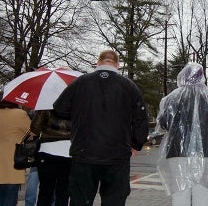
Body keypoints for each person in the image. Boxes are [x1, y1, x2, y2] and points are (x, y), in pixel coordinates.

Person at [53, 49, 149, 206]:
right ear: (117, 65)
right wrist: (136, 144)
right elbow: (140, 120)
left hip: (84, 153)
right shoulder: (129, 86)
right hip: (117, 155)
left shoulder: (80, 82)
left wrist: (79, 115)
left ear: (98, 62)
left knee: (80, 200)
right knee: (114, 201)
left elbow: (59, 109)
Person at [156, 62, 208, 206]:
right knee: (202, 195)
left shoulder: (173, 98)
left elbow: (164, 123)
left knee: (180, 193)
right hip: (207, 152)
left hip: (178, 152)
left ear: (184, 76)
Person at [0, 99, 32, 206]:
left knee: (0, 194)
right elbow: (32, 131)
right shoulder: (20, 114)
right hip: (12, 159)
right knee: (10, 194)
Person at [31, 109, 72, 206]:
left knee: (45, 191)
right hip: (68, 152)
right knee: (63, 192)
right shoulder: (76, 105)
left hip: (47, 151)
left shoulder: (46, 106)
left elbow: (34, 129)